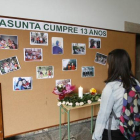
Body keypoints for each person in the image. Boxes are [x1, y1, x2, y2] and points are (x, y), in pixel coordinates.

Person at [92, 49, 140, 140]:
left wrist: (96, 137)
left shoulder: (111, 87)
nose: (107, 65)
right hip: (130, 128)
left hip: (113, 130)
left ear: (113, 66)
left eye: (108, 63)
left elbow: (103, 115)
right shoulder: (136, 82)